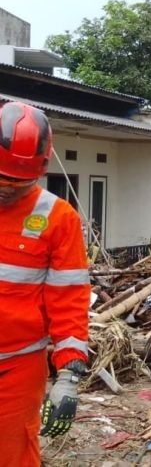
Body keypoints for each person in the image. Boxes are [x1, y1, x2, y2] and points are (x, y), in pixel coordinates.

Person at [0, 102, 91, 465]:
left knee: (13, 454)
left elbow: (68, 297)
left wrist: (69, 371)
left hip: (17, 367)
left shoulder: (57, 218)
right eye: (1, 180)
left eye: (18, 183)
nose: (7, 191)